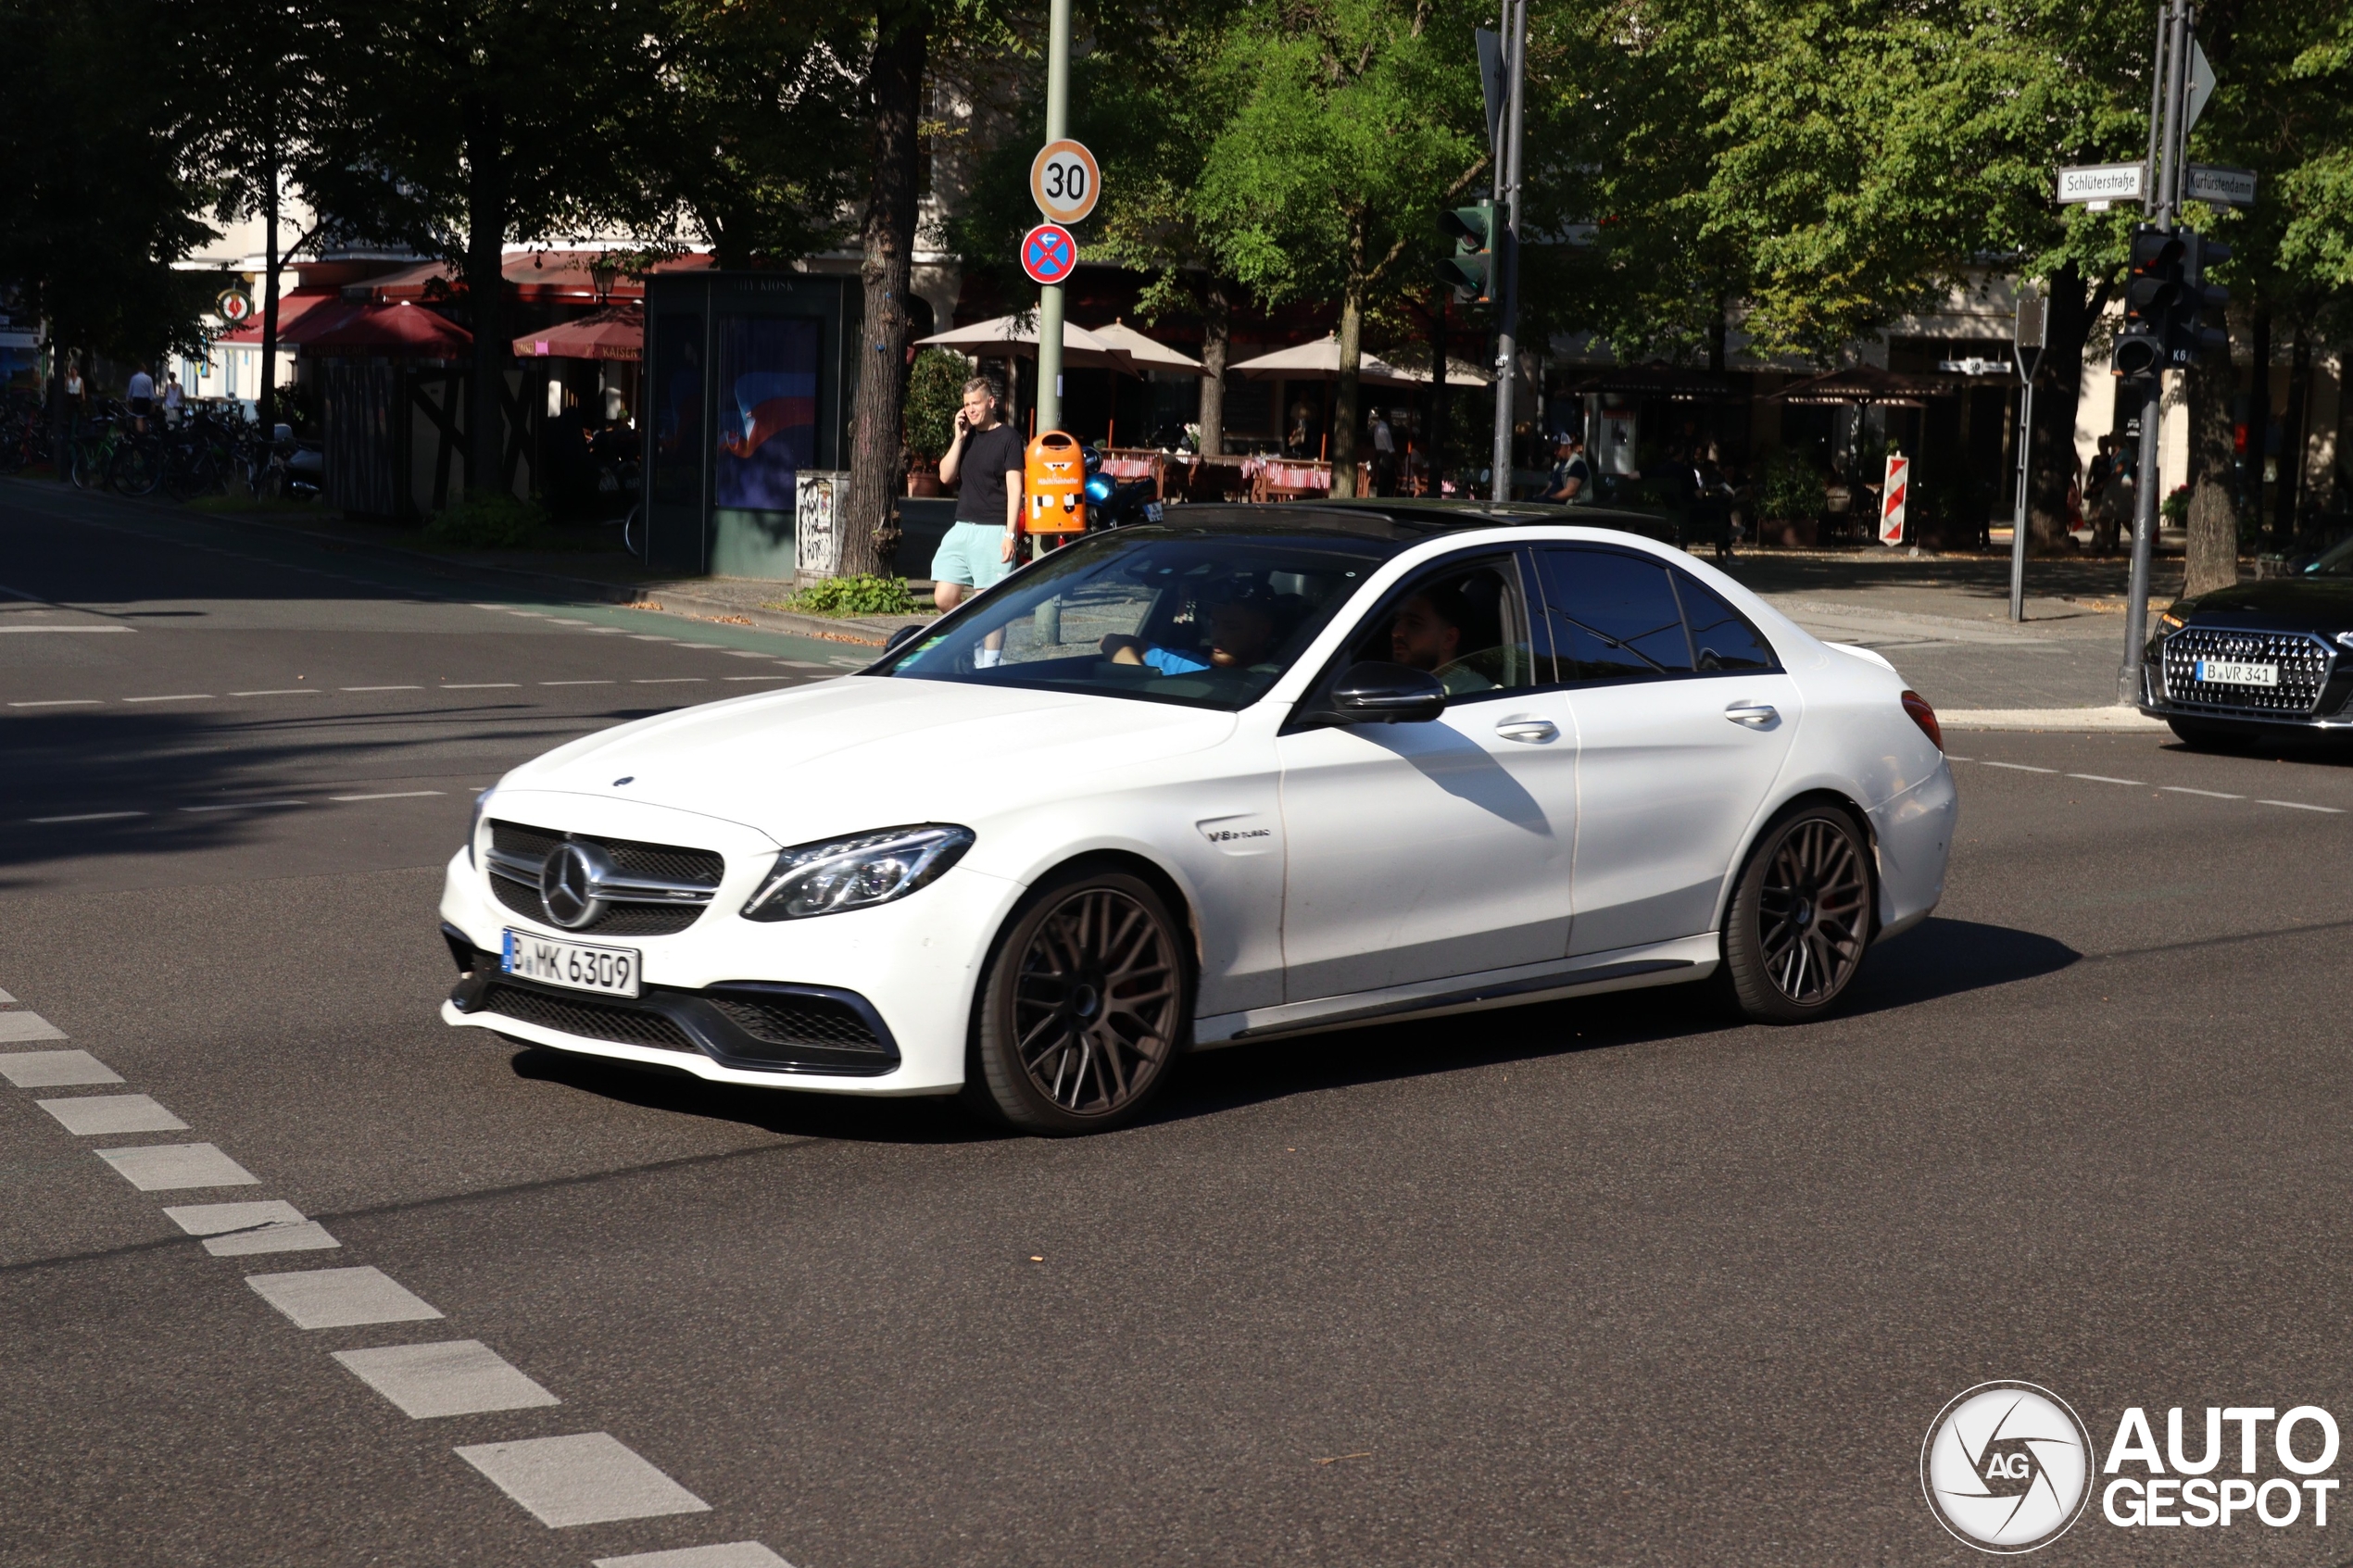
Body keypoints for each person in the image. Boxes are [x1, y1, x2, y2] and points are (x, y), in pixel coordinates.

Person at [933, 375, 1025, 621]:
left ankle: (991, 659)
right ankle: (971, 637)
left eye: (976, 403)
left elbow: (1015, 488)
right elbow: (945, 476)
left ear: (991, 402)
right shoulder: (966, 437)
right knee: (943, 597)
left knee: (989, 608)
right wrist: (959, 438)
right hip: (962, 528)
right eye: (966, 404)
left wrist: (1010, 534)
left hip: (994, 531)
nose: (971, 409)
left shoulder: (1009, 439)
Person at [1101, 583, 1283, 674]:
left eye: (1231, 627)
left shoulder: (1282, 682)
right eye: (1214, 624)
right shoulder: (1195, 667)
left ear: (1261, 633)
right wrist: (1143, 681)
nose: (1217, 635)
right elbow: (1111, 641)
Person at [1389, 583, 1494, 694]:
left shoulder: (1480, 697)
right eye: (1398, 620)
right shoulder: (1391, 683)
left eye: (1414, 623)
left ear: (1449, 638)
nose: (1396, 632)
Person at [1545, 434, 1591, 503]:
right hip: (1554, 505)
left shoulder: (1577, 464)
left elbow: (1570, 492)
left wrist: (1549, 499)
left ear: (1568, 447)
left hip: (1573, 507)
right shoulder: (1558, 465)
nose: (1555, 452)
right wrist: (1538, 498)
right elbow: (1549, 488)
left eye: (1558, 449)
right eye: (1554, 449)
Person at [1368, 408, 1396, 496]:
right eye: (1389, 415)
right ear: (1386, 416)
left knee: (1385, 479)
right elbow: (1389, 446)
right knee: (1388, 480)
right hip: (1386, 455)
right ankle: (1384, 497)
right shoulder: (1383, 428)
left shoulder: (1378, 427)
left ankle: (1382, 496)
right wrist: (1396, 458)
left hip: (1381, 454)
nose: (1390, 417)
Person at [126, 362, 156, 430]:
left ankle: (140, 434)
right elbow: (151, 392)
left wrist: (128, 401)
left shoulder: (134, 378)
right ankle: (145, 432)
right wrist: (153, 404)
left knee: (139, 418)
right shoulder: (149, 379)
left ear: (138, 369)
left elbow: (130, 391)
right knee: (146, 418)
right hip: (146, 400)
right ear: (145, 369)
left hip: (137, 400)